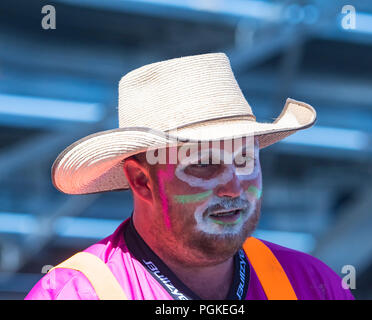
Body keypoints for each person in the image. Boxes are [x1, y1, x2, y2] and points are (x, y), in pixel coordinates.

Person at [25, 53, 354, 300]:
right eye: (204, 164)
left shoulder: (311, 285)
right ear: (141, 181)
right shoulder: (78, 293)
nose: (232, 187)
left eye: (245, 159)